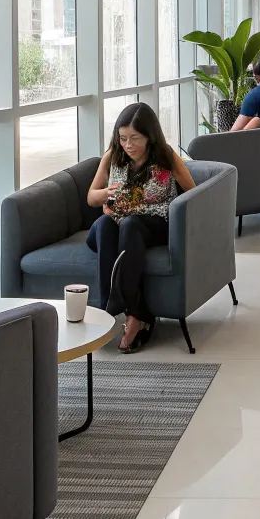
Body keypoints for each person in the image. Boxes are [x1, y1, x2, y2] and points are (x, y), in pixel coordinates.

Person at [87, 102, 197, 353]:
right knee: (105, 224)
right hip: (115, 221)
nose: (128, 145)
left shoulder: (165, 156)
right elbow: (91, 197)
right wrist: (106, 194)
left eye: (135, 138)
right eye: (123, 138)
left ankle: (133, 316)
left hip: (153, 222)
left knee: (131, 225)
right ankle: (111, 304)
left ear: (150, 136)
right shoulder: (113, 155)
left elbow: (193, 192)